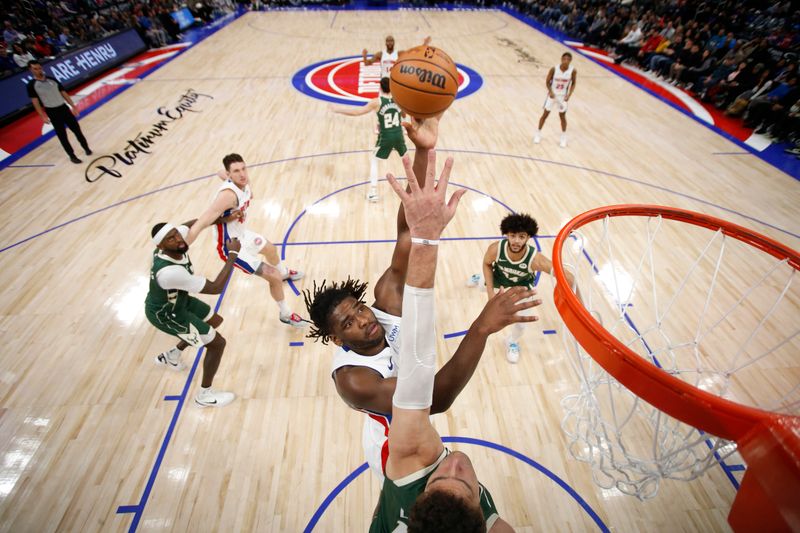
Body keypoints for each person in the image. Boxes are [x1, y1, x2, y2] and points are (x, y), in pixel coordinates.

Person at [304, 115, 543, 481]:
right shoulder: (353, 379)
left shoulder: (384, 304)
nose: (364, 320)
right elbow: (437, 398)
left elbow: (408, 232)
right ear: (337, 339)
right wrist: (480, 328)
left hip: (419, 421)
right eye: (349, 323)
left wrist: (422, 149)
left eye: (359, 309)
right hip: (392, 448)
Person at [369, 150, 529, 532]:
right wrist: (480, 330)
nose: (455, 462)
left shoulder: (408, 460)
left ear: (420, 497)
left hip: (389, 430)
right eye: (466, 484)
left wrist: (425, 238)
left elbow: (424, 386)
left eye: (440, 478)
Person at [185, 153, 307, 328]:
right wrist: (188, 240)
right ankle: (285, 314)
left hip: (243, 235)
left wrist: (224, 174)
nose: (242, 174)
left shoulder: (242, 182)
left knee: (271, 249)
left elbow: (221, 173)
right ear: (230, 174)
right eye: (236, 171)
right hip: (231, 245)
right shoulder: (227, 195)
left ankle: (284, 272)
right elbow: (205, 218)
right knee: (273, 277)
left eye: (243, 168)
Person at [145, 221, 239, 407]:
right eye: (171, 239)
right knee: (217, 344)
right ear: (161, 246)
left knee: (215, 321)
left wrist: (218, 217)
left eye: (176, 234)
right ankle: (204, 396)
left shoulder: (176, 242)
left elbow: (194, 223)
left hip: (179, 300)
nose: (178, 239)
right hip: (167, 314)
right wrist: (233, 254)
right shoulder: (169, 272)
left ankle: (172, 355)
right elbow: (216, 288)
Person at [467, 213, 576, 363]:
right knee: (482, 286)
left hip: (522, 290)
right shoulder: (495, 249)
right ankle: (479, 278)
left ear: (528, 237)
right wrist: (490, 293)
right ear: (507, 235)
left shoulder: (535, 259)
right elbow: (487, 264)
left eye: (522, 236)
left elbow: (569, 277)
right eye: (512, 236)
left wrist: (578, 305)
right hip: (499, 281)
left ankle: (512, 341)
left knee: (522, 323)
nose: (516, 241)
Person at [329, 77, 407, 202]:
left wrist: (338, 110)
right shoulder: (398, 100)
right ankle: (415, 188)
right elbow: (404, 115)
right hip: (399, 135)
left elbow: (357, 112)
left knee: (375, 161)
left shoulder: (377, 102)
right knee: (406, 160)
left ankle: (373, 192)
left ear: (380, 88)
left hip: (386, 137)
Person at [26, 59, 91, 164]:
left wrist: (73, 106)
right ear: (30, 70)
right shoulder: (31, 85)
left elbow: (63, 92)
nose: (38, 70)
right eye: (35, 69)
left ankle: (86, 148)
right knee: (62, 135)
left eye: (39, 68)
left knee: (77, 130)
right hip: (52, 111)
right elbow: (35, 102)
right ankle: (72, 155)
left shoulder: (52, 79)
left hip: (63, 108)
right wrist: (42, 115)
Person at [534, 52, 577, 148]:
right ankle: (538, 133)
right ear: (561, 59)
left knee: (562, 117)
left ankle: (563, 137)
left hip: (562, 96)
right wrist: (550, 91)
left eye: (568, 59)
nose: (566, 61)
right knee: (545, 115)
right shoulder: (554, 69)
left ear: (570, 61)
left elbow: (573, 83)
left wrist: (569, 95)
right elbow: (547, 82)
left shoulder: (573, 71)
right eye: (564, 59)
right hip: (552, 95)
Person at [362, 35, 432, 78]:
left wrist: (425, 43)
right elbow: (367, 63)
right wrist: (364, 56)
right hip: (384, 81)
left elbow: (413, 52)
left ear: (394, 42)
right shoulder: (380, 54)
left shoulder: (399, 53)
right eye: (388, 41)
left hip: (395, 80)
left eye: (391, 41)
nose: (390, 43)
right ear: (385, 43)